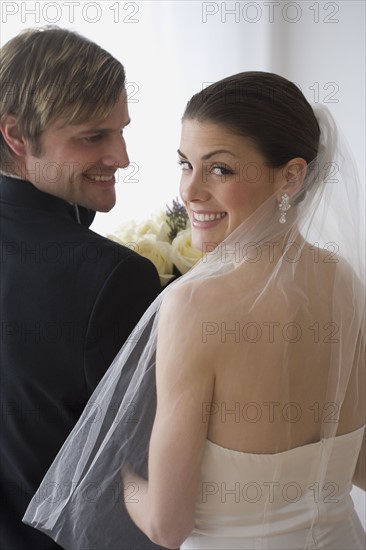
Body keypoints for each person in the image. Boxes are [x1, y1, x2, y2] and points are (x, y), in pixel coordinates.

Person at [23, 72, 365, 549]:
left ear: (291, 176)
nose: (190, 191)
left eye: (219, 169)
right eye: (186, 164)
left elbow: (167, 525)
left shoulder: (195, 306)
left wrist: (119, 472)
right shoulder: (342, 279)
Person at [0, 27, 164, 550]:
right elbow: (143, 467)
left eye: (121, 130)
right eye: (93, 136)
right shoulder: (114, 276)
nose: (121, 157)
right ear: (18, 136)